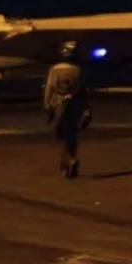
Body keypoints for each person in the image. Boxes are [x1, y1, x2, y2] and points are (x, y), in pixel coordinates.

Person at [44, 41, 89, 178]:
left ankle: (68, 160)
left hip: (58, 103)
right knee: (72, 134)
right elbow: (82, 89)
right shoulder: (78, 70)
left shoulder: (55, 69)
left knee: (62, 134)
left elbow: (49, 88)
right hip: (74, 104)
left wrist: (47, 105)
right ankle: (70, 160)